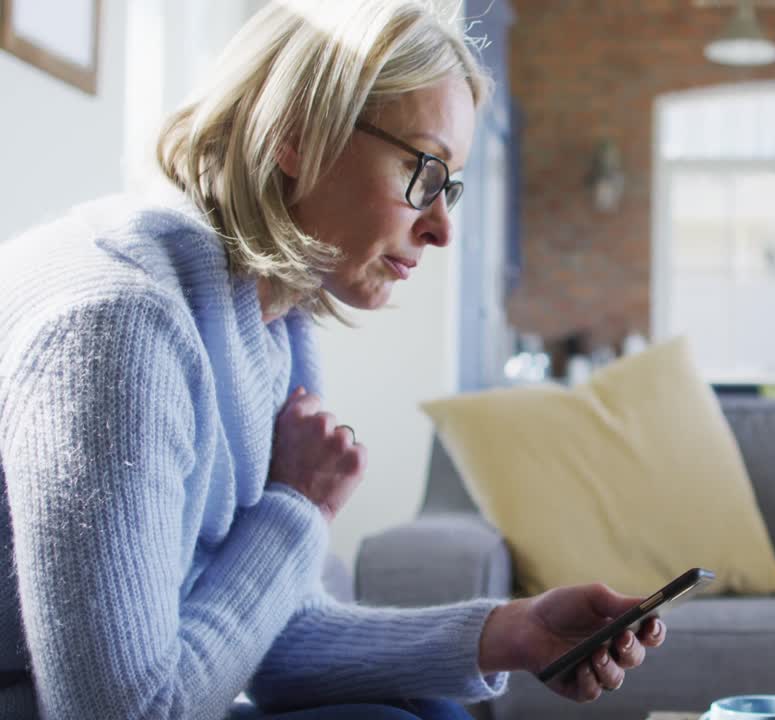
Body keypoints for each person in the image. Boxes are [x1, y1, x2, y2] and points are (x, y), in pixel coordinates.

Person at [0, 2, 664, 718]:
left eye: (452, 185)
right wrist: (297, 508)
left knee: (431, 712)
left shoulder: (269, 322)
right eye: (425, 169)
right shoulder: (123, 329)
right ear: (296, 134)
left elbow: (266, 642)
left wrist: (510, 634)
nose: (441, 227)